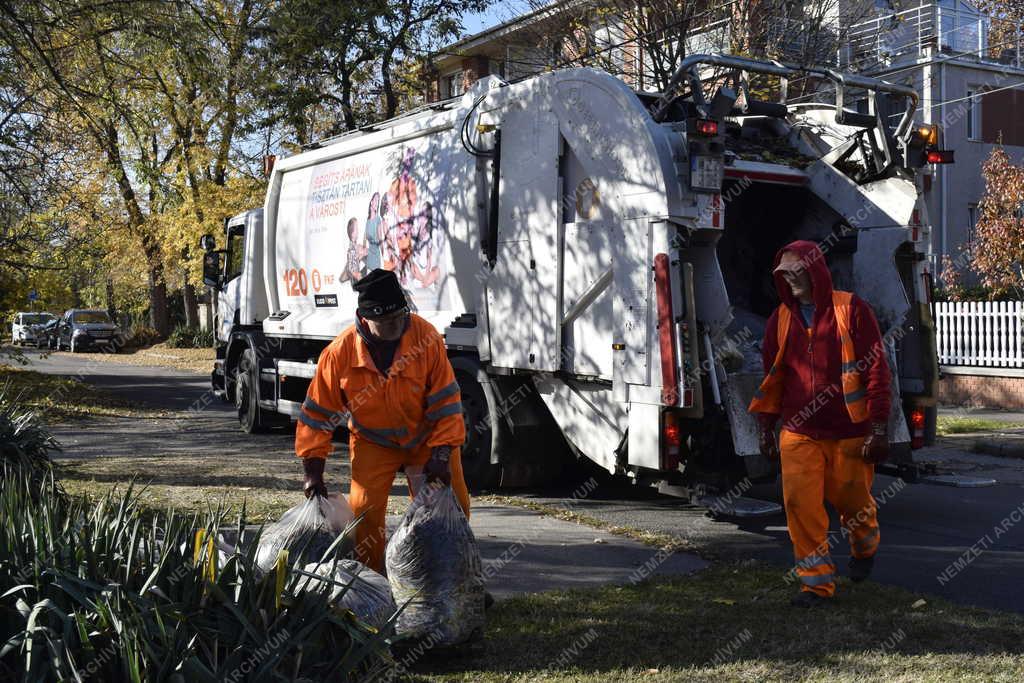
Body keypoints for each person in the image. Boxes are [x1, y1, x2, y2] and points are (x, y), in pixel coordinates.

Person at [294, 268, 470, 574]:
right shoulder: (340, 354)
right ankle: (373, 583)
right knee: (365, 515)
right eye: (385, 322)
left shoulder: (425, 338)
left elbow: (447, 403)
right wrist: (313, 470)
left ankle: (451, 578)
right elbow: (317, 415)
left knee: (452, 508)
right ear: (365, 319)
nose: (395, 327)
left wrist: (441, 454)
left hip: (427, 439)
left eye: (400, 318)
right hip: (373, 442)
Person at [748, 240, 891, 608]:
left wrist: (878, 428)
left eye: (796, 273)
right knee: (801, 507)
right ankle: (815, 586)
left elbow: (876, 370)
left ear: (815, 272)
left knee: (854, 504)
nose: (791, 280)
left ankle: (864, 547)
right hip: (798, 433)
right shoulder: (779, 320)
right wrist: (766, 427)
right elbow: (773, 379)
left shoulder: (852, 310)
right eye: (784, 275)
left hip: (848, 433)